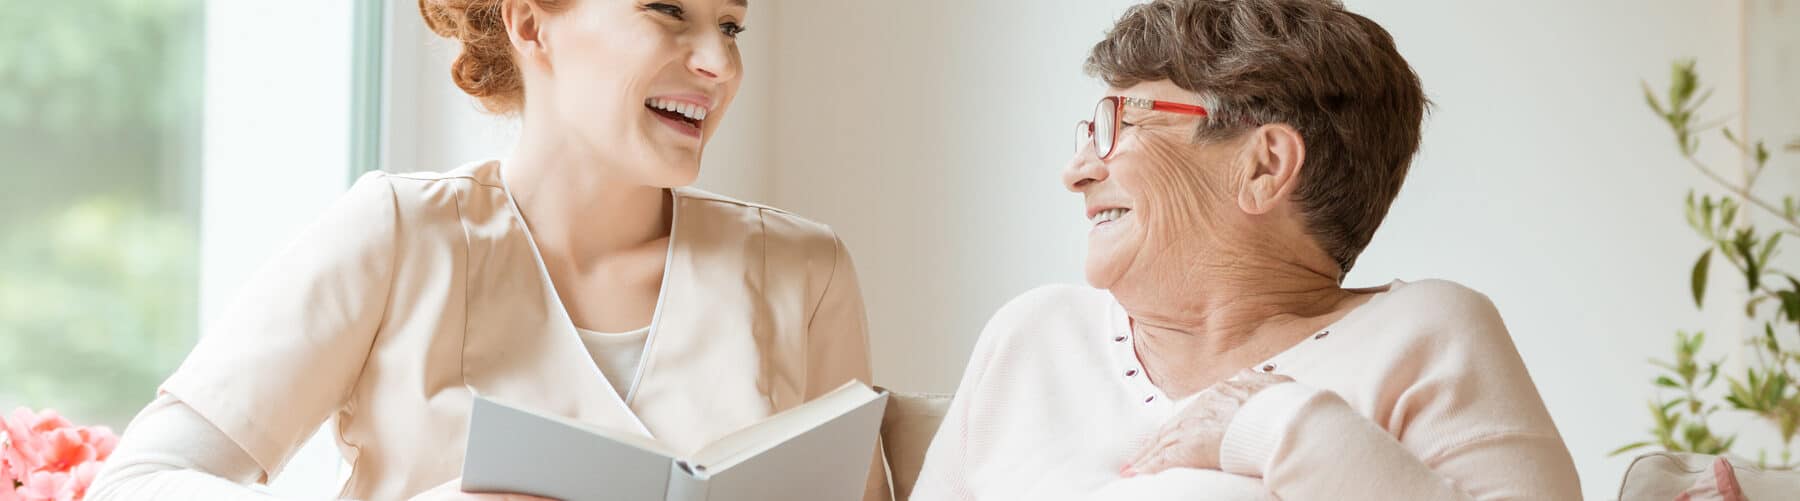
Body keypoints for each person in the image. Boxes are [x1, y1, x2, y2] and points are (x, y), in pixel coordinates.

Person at [88, 0, 889, 499]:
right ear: (531, 22)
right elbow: (133, 484)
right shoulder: (398, 235)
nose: (719, 64)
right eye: (666, 9)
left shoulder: (803, 272)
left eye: (731, 24)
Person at [910, 0, 1581, 499]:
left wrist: (1277, 424)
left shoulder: (1429, 334)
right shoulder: (1031, 336)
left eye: (1120, 123)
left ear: (1263, 166)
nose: (1077, 168)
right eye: (1090, 128)